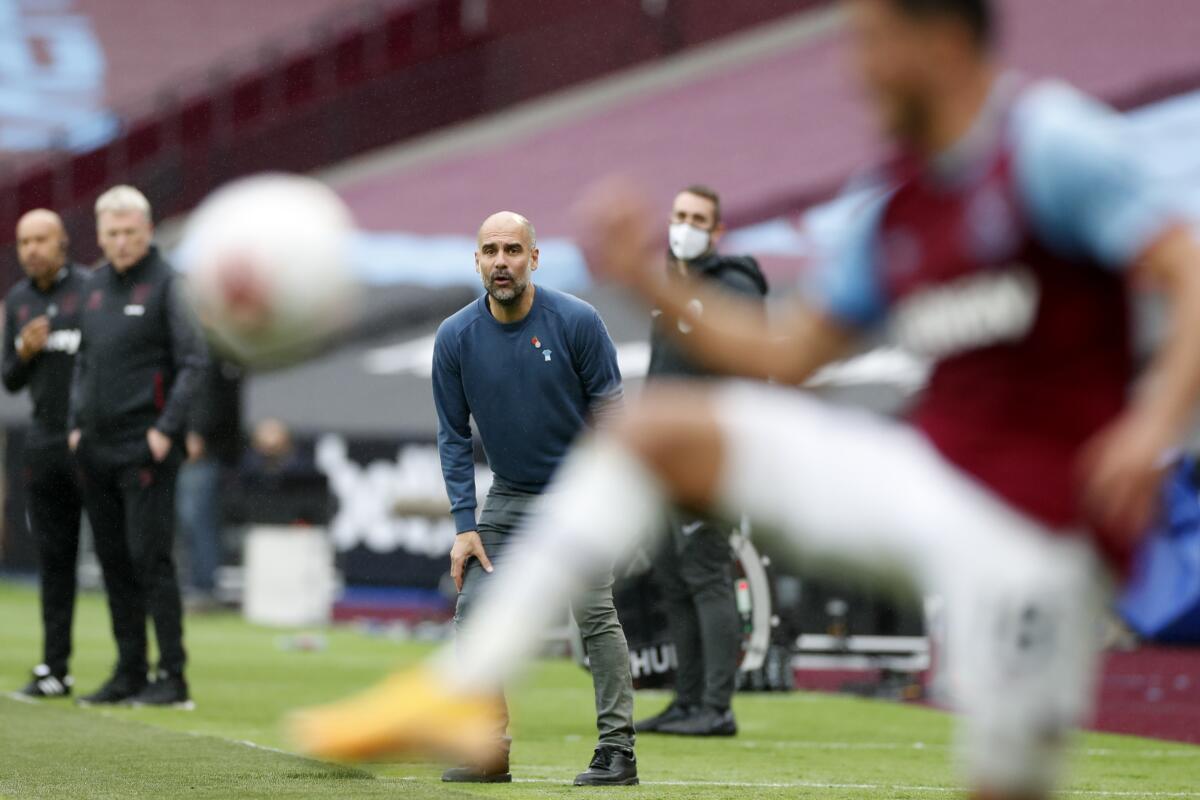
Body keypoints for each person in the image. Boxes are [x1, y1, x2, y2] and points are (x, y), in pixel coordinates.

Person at [292, 1, 1200, 798]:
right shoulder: (897, 203)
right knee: (655, 432)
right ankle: (458, 693)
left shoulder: (1050, 144)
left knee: (1007, 784)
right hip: (937, 484)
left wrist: (1155, 424)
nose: (856, 67)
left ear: (943, 37)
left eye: (873, 39)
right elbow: (788, 351)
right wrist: (648, 272)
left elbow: (1186, 273)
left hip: (1039, 534)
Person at [430, 211, 638, 786]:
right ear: (476, 260)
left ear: (535, 258)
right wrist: (464, 523)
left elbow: (613, 415)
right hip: (509, 497)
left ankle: (618, 752)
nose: (502, 261)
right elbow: (452, 436)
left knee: (594, 616)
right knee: (473, 613)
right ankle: (488, 749)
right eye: (491, 251)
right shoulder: (454, 337)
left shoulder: (577, 321)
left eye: (513, 250)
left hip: (579, 496)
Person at [636, 185, 767, 737]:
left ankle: (718, 707)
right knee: (672, 573)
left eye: (697, 219)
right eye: (678, 215)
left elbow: (748, 364)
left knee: (707, 572)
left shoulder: (731, 286)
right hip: (666, 458)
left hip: (710, 458)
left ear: (717, 233)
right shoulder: (674, 283)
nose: (684, 226)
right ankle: (687, 701)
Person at [69, 185, 207, 707]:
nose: (122, 241)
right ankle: (129, 672)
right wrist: (74, 424)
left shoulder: (170, 284)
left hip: (146, 445)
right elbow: (82, 362)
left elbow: (194, 362)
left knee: (151, 560)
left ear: (148, 232)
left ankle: (172, 678)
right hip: (97, 446)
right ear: (101, 236)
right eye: (112, 233)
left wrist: (165, 429)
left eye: (130, 232)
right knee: (112, 562)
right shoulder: (94, 285)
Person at [3, 209, 89, 698]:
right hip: (43, 444)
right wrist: (24, 353)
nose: (31, 249)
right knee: (55, 560)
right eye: (23, 242)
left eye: (41, 240)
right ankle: (55, 668)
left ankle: (136, 669)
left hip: (91, 443)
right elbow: (9, 379)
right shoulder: (17, 299)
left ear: (63, 243)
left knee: (123, 556)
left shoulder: (91, 291)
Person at [177, 350, 243, 607]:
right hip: (185, 444)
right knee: (189, 520)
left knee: (197, 519)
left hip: (201, 451)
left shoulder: (205, 351)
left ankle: (204, 586)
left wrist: (196, 432)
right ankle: (194, 582)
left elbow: (206, 395)